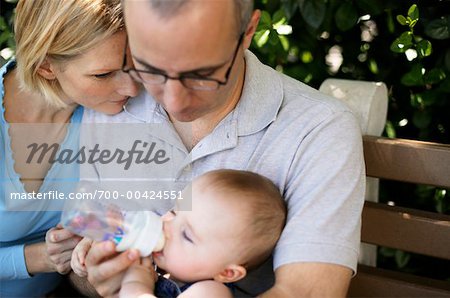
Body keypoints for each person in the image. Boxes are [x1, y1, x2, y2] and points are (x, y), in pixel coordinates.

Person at [82, 0, 365, 297]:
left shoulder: (317, 129)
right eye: (150, 69)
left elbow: (304, 292)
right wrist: (99, 276)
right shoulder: (110, 103)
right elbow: (83, 260)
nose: (174, 101)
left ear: (248, 31)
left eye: (202, 75)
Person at [0, 0, 139, 296]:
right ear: (46, 66)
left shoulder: (109, 113)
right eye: (103, 74)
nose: (132, 89)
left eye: (133, 65)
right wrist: (37, 257)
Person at [71, 169, 286, 298]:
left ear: (227, 273)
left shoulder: (210, 292)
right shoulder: (158, 265)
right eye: (174, 212)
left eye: (187, 236)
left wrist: (136, 285)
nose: (167, 223)